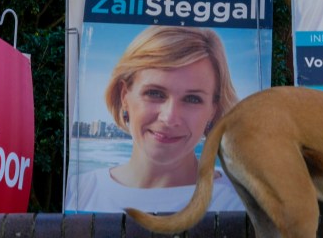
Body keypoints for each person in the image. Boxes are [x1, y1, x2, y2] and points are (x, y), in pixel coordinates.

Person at [70, 25, 245, 213]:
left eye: (192, 99)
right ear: (124, 96)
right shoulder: (79, 191)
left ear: (213, 109)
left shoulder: (239, 202)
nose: (169, 117)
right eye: (154, 93)